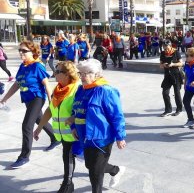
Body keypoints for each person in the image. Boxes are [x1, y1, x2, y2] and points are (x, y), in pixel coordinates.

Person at [0, 41, 60, 169]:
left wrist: (51, 102)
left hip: (37, 98)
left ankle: (24, 156)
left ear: (33, 52)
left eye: (24, 51)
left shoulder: (37, 66)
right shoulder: (23, 66)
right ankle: (55, 138)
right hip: (28, 99)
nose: (21, 52)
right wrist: (4, 99)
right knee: (39, 119)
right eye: (20, 50)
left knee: (27, 125)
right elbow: (17, 84)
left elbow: (46, 84)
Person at [71, 59, 126, 192]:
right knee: (90, 165)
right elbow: (75, 110)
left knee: (95, 172)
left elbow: (116, 115)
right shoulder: (80, 90)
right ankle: (116, 170)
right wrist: (73, 127)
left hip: (102, 137)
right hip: (85, 136)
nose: (83, 76)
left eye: (88, 73)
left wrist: (120, 136)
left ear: (97, 74)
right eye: (81, 73)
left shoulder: (106, 91)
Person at [34, 61, 80, 193]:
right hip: (64, 135)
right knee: (68, 157)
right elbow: (50, 109)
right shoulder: (58, 89)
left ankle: (114, 170)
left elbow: (84, 110)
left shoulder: (77, 89)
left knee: (92, 163)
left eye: (57, 71)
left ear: (67, 74)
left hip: (76, 133)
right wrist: (39, 127)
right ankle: (67, 184)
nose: (54, 73)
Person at [159, 40, 183, 117]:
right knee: (165, 93)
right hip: (167, 75)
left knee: (177, 93)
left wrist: (173, 64)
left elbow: (181, 63)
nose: (166, 50)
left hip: (176, 75)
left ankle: (179, 109)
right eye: (164, 48)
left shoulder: (176, 52)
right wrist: (164, 65)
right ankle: (168, 109)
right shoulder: (163, 53)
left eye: (167, 48)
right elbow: (160, 65)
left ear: (170, 46)